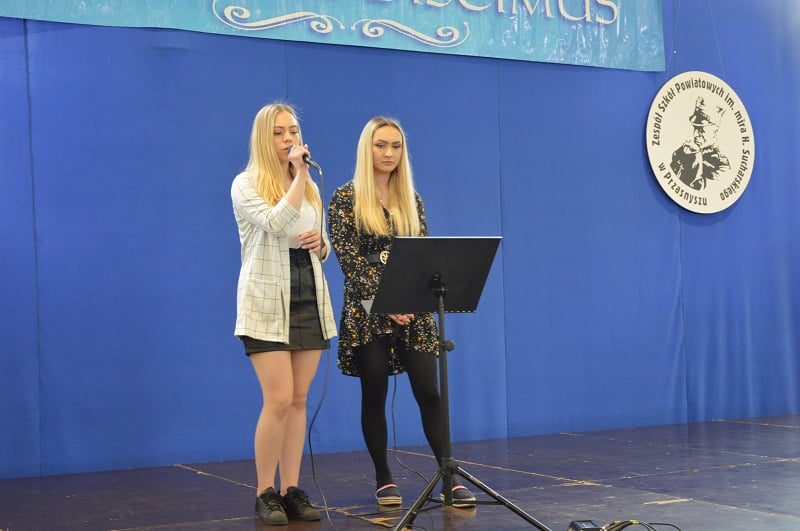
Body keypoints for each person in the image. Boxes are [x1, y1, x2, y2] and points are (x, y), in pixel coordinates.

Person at [328, 116, 476, 508]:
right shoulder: (345, 197)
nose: (389, 152)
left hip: (413, 309)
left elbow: (421, 255)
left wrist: (407, 300)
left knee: (429, 390)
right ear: (367, 148)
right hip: (368, 311)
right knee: (374, 390)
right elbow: (349, 259)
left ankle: (449, 476)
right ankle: (384, 478)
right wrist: (385, 301)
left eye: (395, 146)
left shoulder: (412, 198)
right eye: (381, 145)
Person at [231, 103, 337, 526]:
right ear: (264, 137)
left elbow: (323, 245)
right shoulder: (246, 184)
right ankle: (265, 492)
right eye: (279, 132)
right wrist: (300, 177)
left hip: (307, 291)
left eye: (293, 130)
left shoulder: (307, 187)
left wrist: (320, 244)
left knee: (298, 399)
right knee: (277, 398)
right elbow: (277, 223)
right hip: (265, 298)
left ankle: (291, 489)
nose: (289, 139)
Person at [670, 96, 731, 190]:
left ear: (715, 132)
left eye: (701, 130)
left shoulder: (721, 165)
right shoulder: (686, 151)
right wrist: (679, 156)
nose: (695, 135)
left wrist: (696, 158)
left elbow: (702, 192)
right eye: (695, 129)